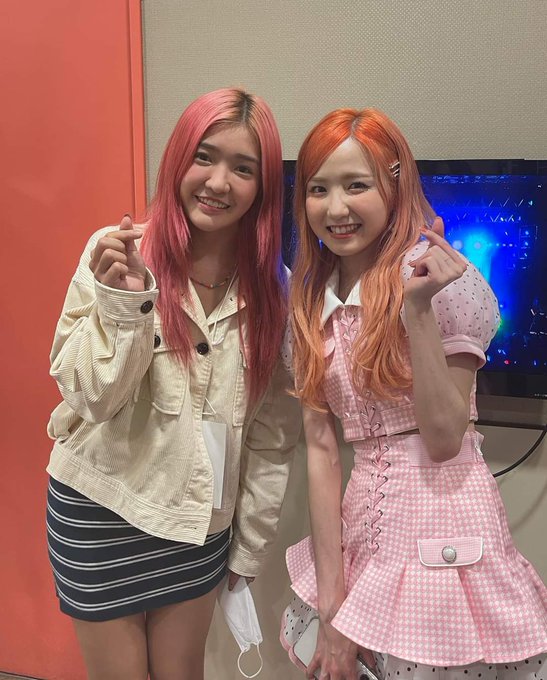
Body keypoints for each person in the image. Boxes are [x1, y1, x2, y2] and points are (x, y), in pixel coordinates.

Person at [281, 107, 547, 679]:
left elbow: (446, 438)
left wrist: (417, 311)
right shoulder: (310, 299)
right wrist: (332, 606)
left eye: (357, 185)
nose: (336, 208)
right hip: (365, 529)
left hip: (447, 529)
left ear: (395, 184)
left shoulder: (439, 278)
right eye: (318, 189)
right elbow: (322, 450)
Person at [46, 87, 301, 680]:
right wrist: (124, 305)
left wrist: (248, 546)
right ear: (178, 159)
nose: (218, 182)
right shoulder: (117, 253)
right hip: (103, 507)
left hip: (196, 524)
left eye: (243, 168)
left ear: (263, 186)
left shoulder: (275, 291)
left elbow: (272, 435)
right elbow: (89, 398)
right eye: (204, 157)